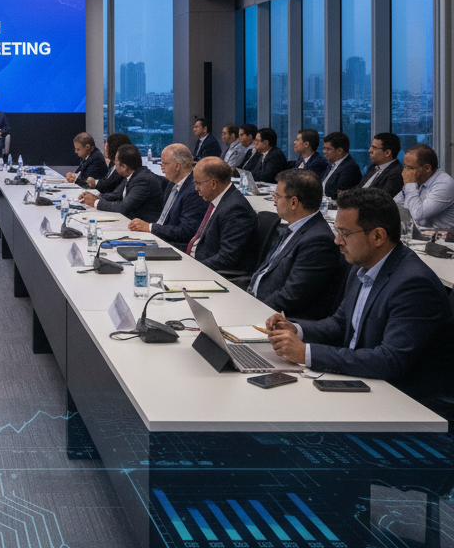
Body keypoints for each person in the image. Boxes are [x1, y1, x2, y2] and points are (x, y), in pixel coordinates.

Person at [265, 187, 453, 408]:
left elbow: (389, 361)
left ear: (377, 236)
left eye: (344, 233)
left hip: (399, 399)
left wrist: (306, 353)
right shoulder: (361, 266)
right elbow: (341, 323)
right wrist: (296, 329)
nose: (336, 241)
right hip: (358, 378)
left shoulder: (413, 285)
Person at [246, 169, 343, 319]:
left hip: (277, 319)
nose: (274, 201)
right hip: (255, 302)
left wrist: (250, 309)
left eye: (277, 196)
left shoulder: (318, 241)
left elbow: (291, 296)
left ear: (294, 202)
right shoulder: (292, 227)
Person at [187, 156, 260, 274]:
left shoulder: (235, 209)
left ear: (213, 183)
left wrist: (193, 267)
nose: (196, 189)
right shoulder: (221, 200)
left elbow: (227, 258)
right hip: (199, 262)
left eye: (198, 183)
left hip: (214, 273)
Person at [126, 143, 205, 248]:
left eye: (164, 164)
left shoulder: (194, 191)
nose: (162, 168)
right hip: (159, 237)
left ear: (177, 166)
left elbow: (185, 232)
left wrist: (150, 227)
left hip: (175, 246)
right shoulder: (172, 183)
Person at [78, 143, 164, 222]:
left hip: (142, 227)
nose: (114, 164)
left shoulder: (143, 180)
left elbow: (123, 207)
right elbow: (116, 195)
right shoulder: (133, 175)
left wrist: (95, 202)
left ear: (124, 166)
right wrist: (92, 197)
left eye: (116, 161)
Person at [395, 143, 454, 230]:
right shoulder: (418, 180)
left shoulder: (444, 184)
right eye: (405, 167)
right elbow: (395, 205)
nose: (405, 172)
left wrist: (410, 184)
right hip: (417, 236)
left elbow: (418, 214)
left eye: (410, 168)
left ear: (427, 168)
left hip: (441, 240)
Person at [357, 132, 404, 197]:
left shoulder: (396, 173)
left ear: (387, 153)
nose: (370, 150)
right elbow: (358, 188)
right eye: (371, 147)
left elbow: (382, 199)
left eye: (374, 148)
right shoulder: (373, 167)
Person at [321, 131, 362, 199]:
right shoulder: (332, 163)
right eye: (324, 148)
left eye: (328, 149)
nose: (324, 152)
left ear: (339, 150)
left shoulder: (350, 168)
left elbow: (337, 194)